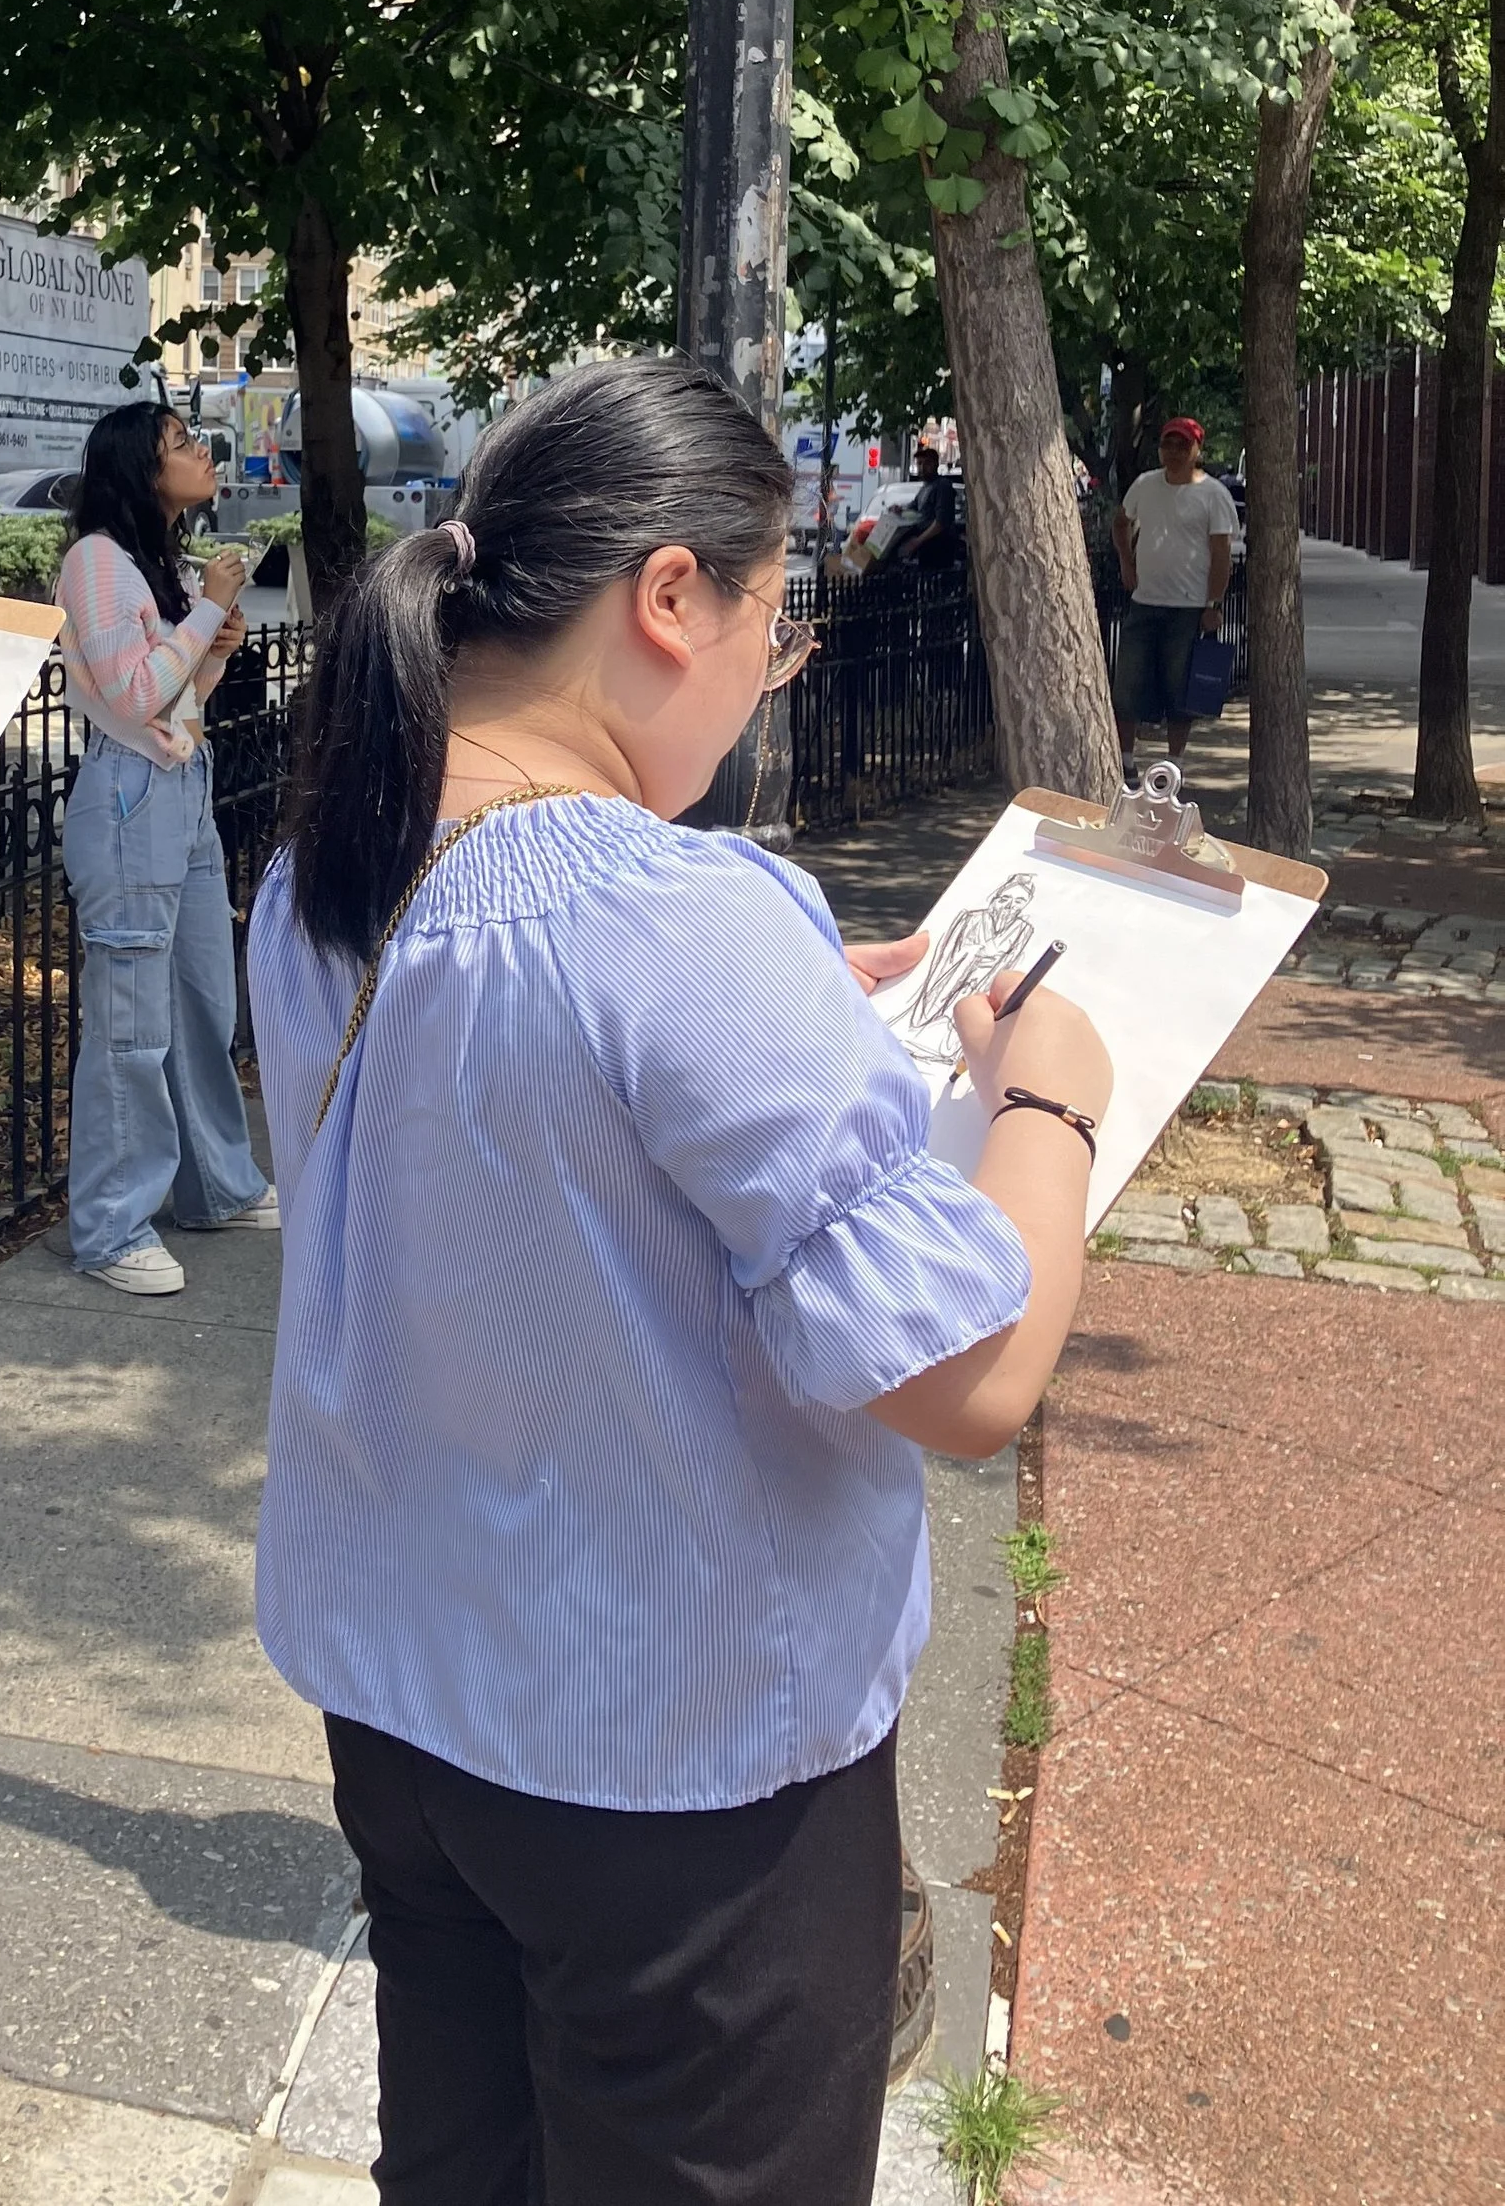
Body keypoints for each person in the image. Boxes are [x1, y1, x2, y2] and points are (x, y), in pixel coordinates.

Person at [250, 357, 1113, 2205]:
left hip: (411, 1711)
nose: (764, 661)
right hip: (680, 1781)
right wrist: (1053, 1099)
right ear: (667, 595)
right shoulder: (669, 912)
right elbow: (965, 1378)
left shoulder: (322, 866)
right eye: (770, 612)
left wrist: (798, 1009)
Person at [55, 399, 277, 1296]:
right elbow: (135, 689)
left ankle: (215, 1183)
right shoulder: (97, 562)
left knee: (199, 997)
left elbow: (178, 700)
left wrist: (214, 646)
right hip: (129, 797)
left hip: (178, 788)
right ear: (142, 471)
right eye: (182, 445)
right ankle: (112, 1223)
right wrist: (208, 614)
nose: (202, 453)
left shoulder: (152, 563)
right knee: (133, 1018)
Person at [1111, 415, 1238, 767]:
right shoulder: (1145, 485)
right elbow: (1121, 522)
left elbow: (1221, 553)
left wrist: (1214, 603)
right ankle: (1125, 762)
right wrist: (1126, 562)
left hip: (1187, 607)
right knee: (1126, 686)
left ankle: (1173, 764)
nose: (1174, 451)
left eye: (1183, 445)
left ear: (1197, 449)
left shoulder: (1213, 495)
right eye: (1168, 443)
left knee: (1179, 690)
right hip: (1144, 601)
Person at [892, 439, 961, 570]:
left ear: (935, 464)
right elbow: (913, 507)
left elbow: (941, 522)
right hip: (926, 545)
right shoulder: (925, 487)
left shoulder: (942, 486)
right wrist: (900, 509)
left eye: (926, 463)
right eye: (919, 464)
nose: (922, 468)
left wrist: (918, 541)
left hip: (940, 545)